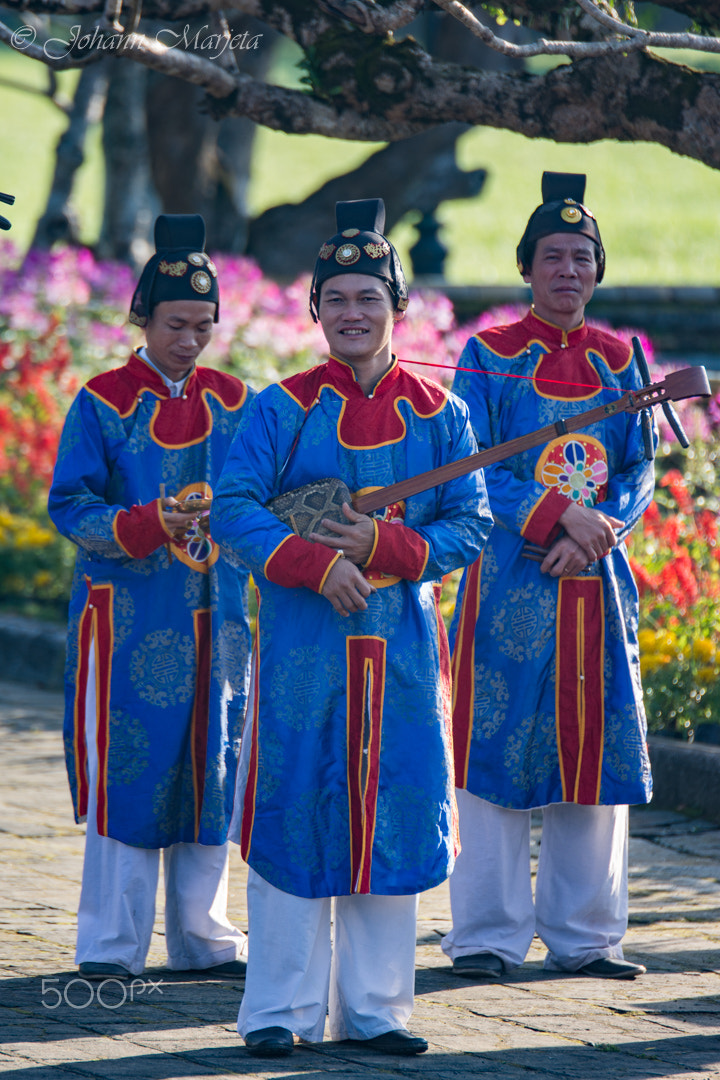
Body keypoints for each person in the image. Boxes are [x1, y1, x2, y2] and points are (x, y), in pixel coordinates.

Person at [211, 199, 492, 1057]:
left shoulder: (443, 410)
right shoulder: (279, 408)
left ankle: (376, 1009)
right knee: (295, 804)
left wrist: (386, 544)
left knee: (393, 812)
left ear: (398, 308)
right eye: (337, 299)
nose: (354, 313)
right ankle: (277, 1013)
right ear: (316, 311)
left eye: (370, 297)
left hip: (401, 652)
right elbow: (231, 509)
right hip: (302, 653)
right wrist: (312, 562)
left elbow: (472, 523)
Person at [442, 173, 655, 983]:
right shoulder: (487, 356)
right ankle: (487, 937)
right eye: (552, 256)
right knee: (494, 752)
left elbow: (639, 467)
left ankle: (588, 936)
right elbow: (468, 468)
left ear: (597, 271)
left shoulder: (622, 358)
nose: (568, 270)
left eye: (582, 257)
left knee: (594, 757)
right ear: (526, 268)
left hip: (597, 585)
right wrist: (556, 518)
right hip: (507, 583)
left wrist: (598, 533)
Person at [48, 215, 254, 980]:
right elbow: (70, 506)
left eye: (204, 325)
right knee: (129, 769)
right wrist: (144, 522)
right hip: (128, 620)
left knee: (214, 763)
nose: (192, 340)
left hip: (219, 616)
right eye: (176, 324)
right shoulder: (101, 402)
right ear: (143, 317)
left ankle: (204, 938)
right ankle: (110, 946)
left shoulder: (240, 402)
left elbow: (265, 495)